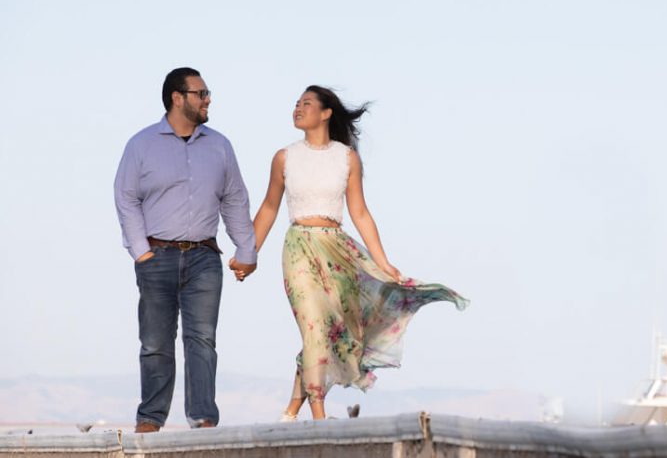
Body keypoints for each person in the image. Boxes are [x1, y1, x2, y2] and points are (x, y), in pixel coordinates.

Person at [248, 85, 467, 421]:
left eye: (306, 103)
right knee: (314, 325)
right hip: (299, 247)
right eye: (296, 103)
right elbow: (268, 208)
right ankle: (318, 415)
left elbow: (360, 213)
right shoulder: (284, 157)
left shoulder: (346, 158)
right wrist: (248, 252)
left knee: (330, 331)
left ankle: (292, 409)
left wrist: (383, 263)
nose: (298, 108)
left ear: (325, 113)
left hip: (337, 250)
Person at [114, 68, 258, 432]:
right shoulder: (141, 144)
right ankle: (150, 419)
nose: (208, 99)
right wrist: (141, 252)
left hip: (204, 258)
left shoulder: (220, 145)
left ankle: (202, 418)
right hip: (156, 257)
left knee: (202, 340)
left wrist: (247, 249)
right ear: (178, 98)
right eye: (202, 93)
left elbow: (235, 199)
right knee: (155, 343)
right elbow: (126, 197)